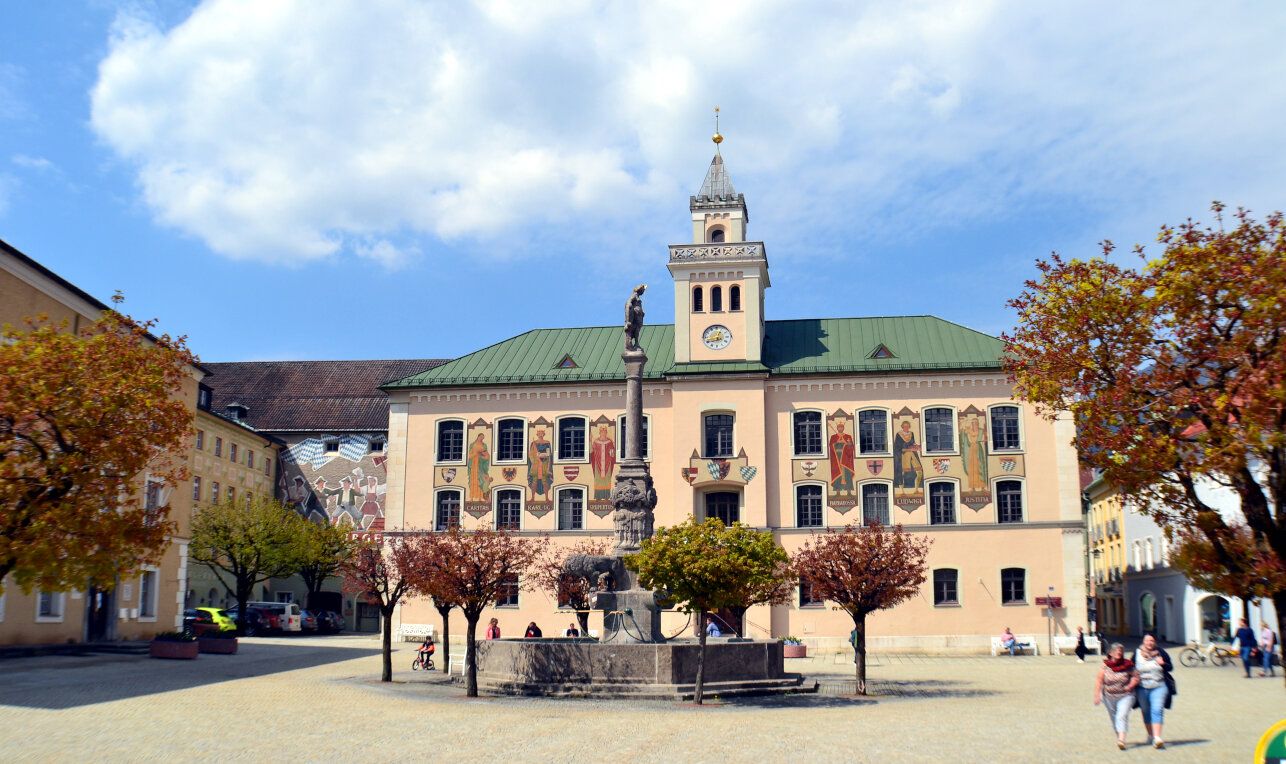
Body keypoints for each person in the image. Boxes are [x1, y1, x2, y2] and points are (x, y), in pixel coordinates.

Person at [1093, 642, 1140, 750]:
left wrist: (1130, 685)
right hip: (1108, 696)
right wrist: (1097, 695)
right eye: (1117, 651)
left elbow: (1136, 677)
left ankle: (1121, 740)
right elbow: (1099, 680)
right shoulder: (1105, 666)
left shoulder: (1128, 665)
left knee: (1121, 716)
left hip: (1126, 695)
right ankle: (1119, 736)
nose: (1119, 652)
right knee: (1114, 718)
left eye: (1121, 651)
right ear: (1111, 653)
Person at [1133, 634, 1174, 749]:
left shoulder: (1161, 652)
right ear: (1143, 642)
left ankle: (1157, 738)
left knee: (1157, 710)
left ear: (1154, 642)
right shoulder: (1137, 653)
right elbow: (1130, 667)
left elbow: (1170, 667)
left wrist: (1163, 664)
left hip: (1159, 686)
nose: (1149, 642)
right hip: (1142, 687)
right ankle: (1150, 735)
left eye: (1152, 640)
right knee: (1146, 711)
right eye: (1147, 640)